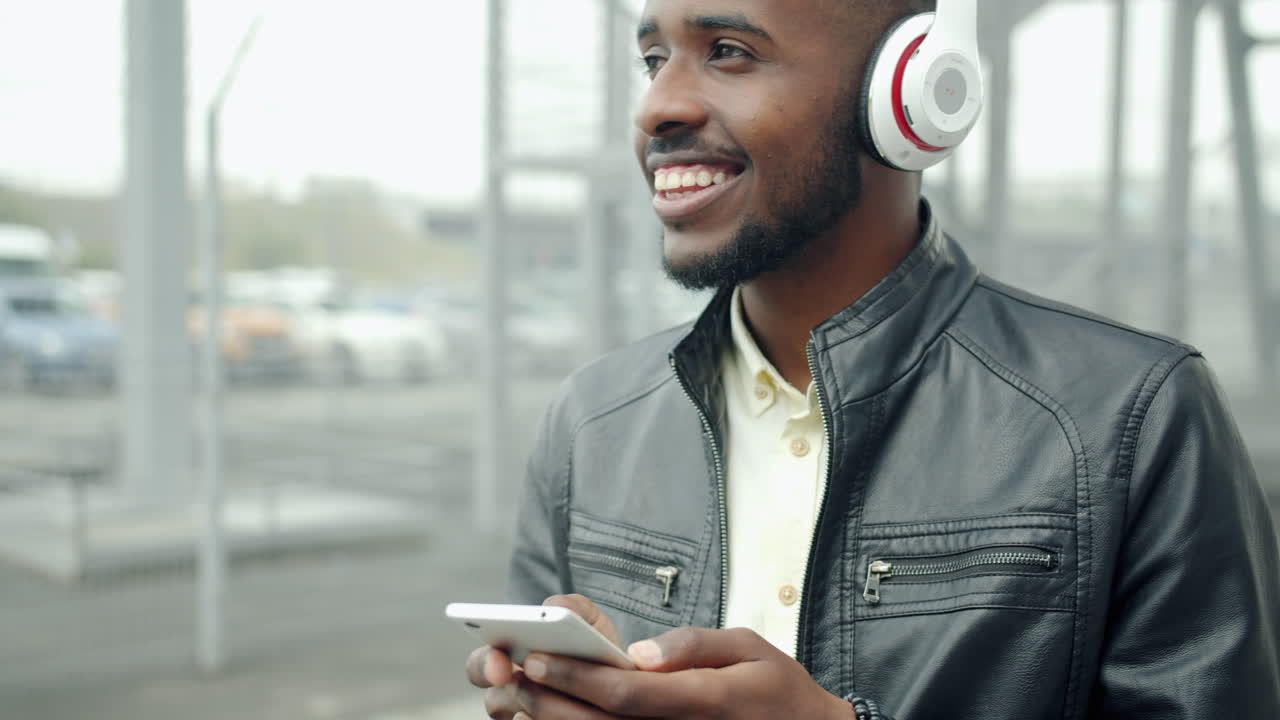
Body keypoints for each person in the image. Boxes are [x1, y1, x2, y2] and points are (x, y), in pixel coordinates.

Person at [465, 0, 1280, 717]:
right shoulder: (588, 421)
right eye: (653, 59)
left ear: (913, 94)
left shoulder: (1129, 416)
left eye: (729, 51)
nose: (659, 105)